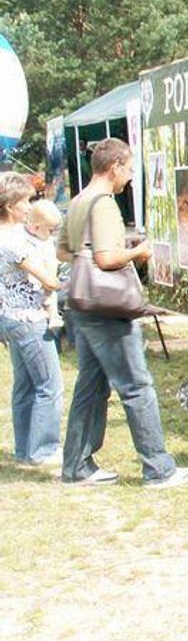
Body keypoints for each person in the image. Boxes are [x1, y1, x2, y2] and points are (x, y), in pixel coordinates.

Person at [57, 138, 188, 488]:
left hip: (82, 305)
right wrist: (139, 251)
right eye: (129, 170)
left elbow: (63, 252)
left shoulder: (76, 202)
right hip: (108, 309)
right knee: (137, 386)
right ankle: (158, 468)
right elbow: (106, 259)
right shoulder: (103, 204)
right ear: (114, 166)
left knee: (90, 386)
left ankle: (76, 466)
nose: (130, 178)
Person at [0, 172, 64, 467]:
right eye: (26, 201)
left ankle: (24, 449)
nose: (30, 205)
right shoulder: (14, 241)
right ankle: (44, 450)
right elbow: (47, 281)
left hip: (10, 319)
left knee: (24, 386)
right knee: (49, 385)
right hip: (29, 320)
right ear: (11, 205)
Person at [24, 199, 64, 334]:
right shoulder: (24, 241)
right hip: (33, 290)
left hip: (46, 285)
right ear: (34, 227)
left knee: (51, 299)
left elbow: (52, 264)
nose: (51, 234)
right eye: (50, 230)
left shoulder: (46, 242)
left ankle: (54, 317)